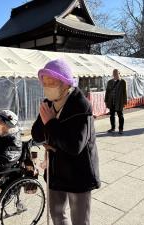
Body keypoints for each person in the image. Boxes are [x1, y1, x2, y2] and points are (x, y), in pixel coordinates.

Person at [31, 59, 100, 225]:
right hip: (56, 171)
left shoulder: (81, 105)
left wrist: (51, 123)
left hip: (78, 172)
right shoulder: (49, 103)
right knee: (57, 215)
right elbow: (37, 135)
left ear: (65, 83)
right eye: (44, 82)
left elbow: (75, 145)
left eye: (51, 82)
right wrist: (45, 122)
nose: (47, 86)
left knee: (80, 220)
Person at [104, 69, 127, 134]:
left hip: (119, 102)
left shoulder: (123, 82)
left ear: (119, 73)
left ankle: (121, 129)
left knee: (120, 115)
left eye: (116, 74)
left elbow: (125, 92)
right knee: (112, 115)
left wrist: (125, 102)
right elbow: (107, 92)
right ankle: (113, 128)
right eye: (114, 74)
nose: (115, 75)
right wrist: (106, 100)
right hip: (111, 101)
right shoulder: (109, 82)